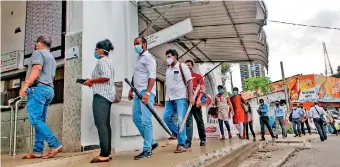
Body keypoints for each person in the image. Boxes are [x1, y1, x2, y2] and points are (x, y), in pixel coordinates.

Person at [20, 36, 63, 159]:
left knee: (35, 119)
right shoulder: (52, 59)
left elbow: (37, 68)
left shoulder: (38, 53)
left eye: (36, 43)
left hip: (38, 89)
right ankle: (37, 150)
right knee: (40, 121)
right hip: (49, 90)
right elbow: (52, 77)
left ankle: (54, 144)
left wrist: (25, 85)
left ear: (39, 43)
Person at [82, 39, 115, 163]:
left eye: (96, 49)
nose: (95, 51)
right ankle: (108, 152)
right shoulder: (108, 61)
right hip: (107, 95)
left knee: (100, 123)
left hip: (101, 96)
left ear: (101, 50)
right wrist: (91, 82)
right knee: (105, 124)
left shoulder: (102, 61)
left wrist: (91, 81)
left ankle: (104, 153)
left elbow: (105, 77)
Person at [128, 36, 158, 160]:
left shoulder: (149, 58)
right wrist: (131, 89)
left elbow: (152, 77)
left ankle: (147, 150)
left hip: (146, 92)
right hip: (136, 91)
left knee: (146, 120)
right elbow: (136, 75)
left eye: (138, 43)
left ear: (145, 44)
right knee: (136, 118)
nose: (136, 46)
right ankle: (151, 141)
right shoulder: (138, 58)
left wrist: (147, 93)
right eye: (134, 43)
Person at [163, 49, 194, 153]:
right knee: (166, 118)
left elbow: (189, 81)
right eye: (167, 57)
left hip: (181, 98)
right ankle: (181, 136)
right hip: (169, 98)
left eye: (169, 56)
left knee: (181, 121)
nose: (168, 58)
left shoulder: (182, 66)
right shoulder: (168, 70)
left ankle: (181, 145)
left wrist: (190, 96)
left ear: (175, 56)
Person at [184, 60, 206, 148]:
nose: (187, 67)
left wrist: (198, 100)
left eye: (189, 65)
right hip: (186, 101)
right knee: (188, 122)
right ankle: (188, 142)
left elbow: (203, 90)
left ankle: (203, 139)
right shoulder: (183, 77)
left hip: (196, 101)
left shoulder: (198, 76)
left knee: (199, 121)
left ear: (192, 66)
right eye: (186, 66)